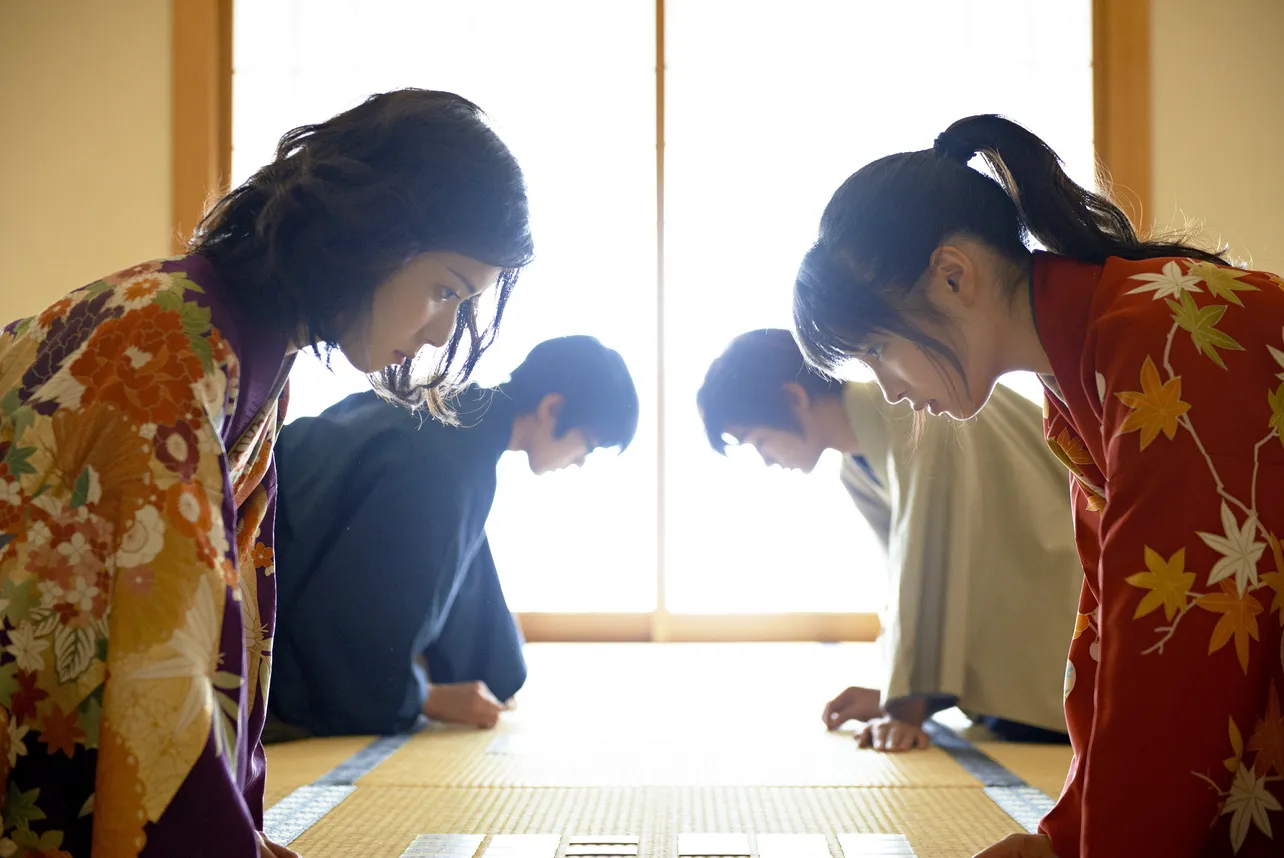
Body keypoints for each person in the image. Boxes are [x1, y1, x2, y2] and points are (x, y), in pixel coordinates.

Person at [0, 89, 532, 858]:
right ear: (376, 231)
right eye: (446, 288)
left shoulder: (232, 337)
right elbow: (163, 654)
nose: (445, 329)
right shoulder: (172, 338)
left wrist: (235, 832)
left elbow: (215, 623)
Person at [791, 114, 1284, 858]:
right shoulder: (1090, 358)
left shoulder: (1153, 341)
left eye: (878, 351)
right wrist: (1064, 838)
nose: (887, 391)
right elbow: (1114, 631)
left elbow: (1172, 651)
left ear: (953, 276)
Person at [698, 328, 1080, 752]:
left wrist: (904, 708)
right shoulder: (855, 467)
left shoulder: (910, 411)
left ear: (795, 399)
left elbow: (930, 560)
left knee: (1024, 728)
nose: (767, 460)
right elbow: (907, 578)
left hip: (1063, 602)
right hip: (1024, 614)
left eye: (760, 441)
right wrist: (893, 690)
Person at [267, 335, 638, 739]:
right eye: (589, 444)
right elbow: (348, 617)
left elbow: (458, 568)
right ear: (553, 408)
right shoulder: (450, 464)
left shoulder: (449, 413)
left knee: (499, 663)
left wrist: (497, 667)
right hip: (264, 612)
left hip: (277, 551)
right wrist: (428, 698)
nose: (581, 461)